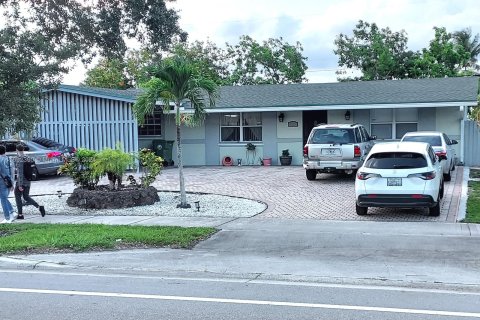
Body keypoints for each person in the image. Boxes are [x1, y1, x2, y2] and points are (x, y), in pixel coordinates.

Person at [13, 144, 45, 219]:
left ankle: (20, 214)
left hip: (21, 182)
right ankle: (39, 207)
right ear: (23, 150)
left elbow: (20, 173)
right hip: (28, 181)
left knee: (17, 196)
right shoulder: (28, 158)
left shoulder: (19, 159)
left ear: (17, 150)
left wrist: (20, 185)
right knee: (26, 197)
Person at [0, 145, 15, 223]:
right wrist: (12, 183)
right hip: (8, 181)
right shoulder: (9, 159)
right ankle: (12, 211)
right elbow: (12, 171)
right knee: (4, 198)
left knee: (3, 199)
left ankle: (7, 217)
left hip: (1, 182)